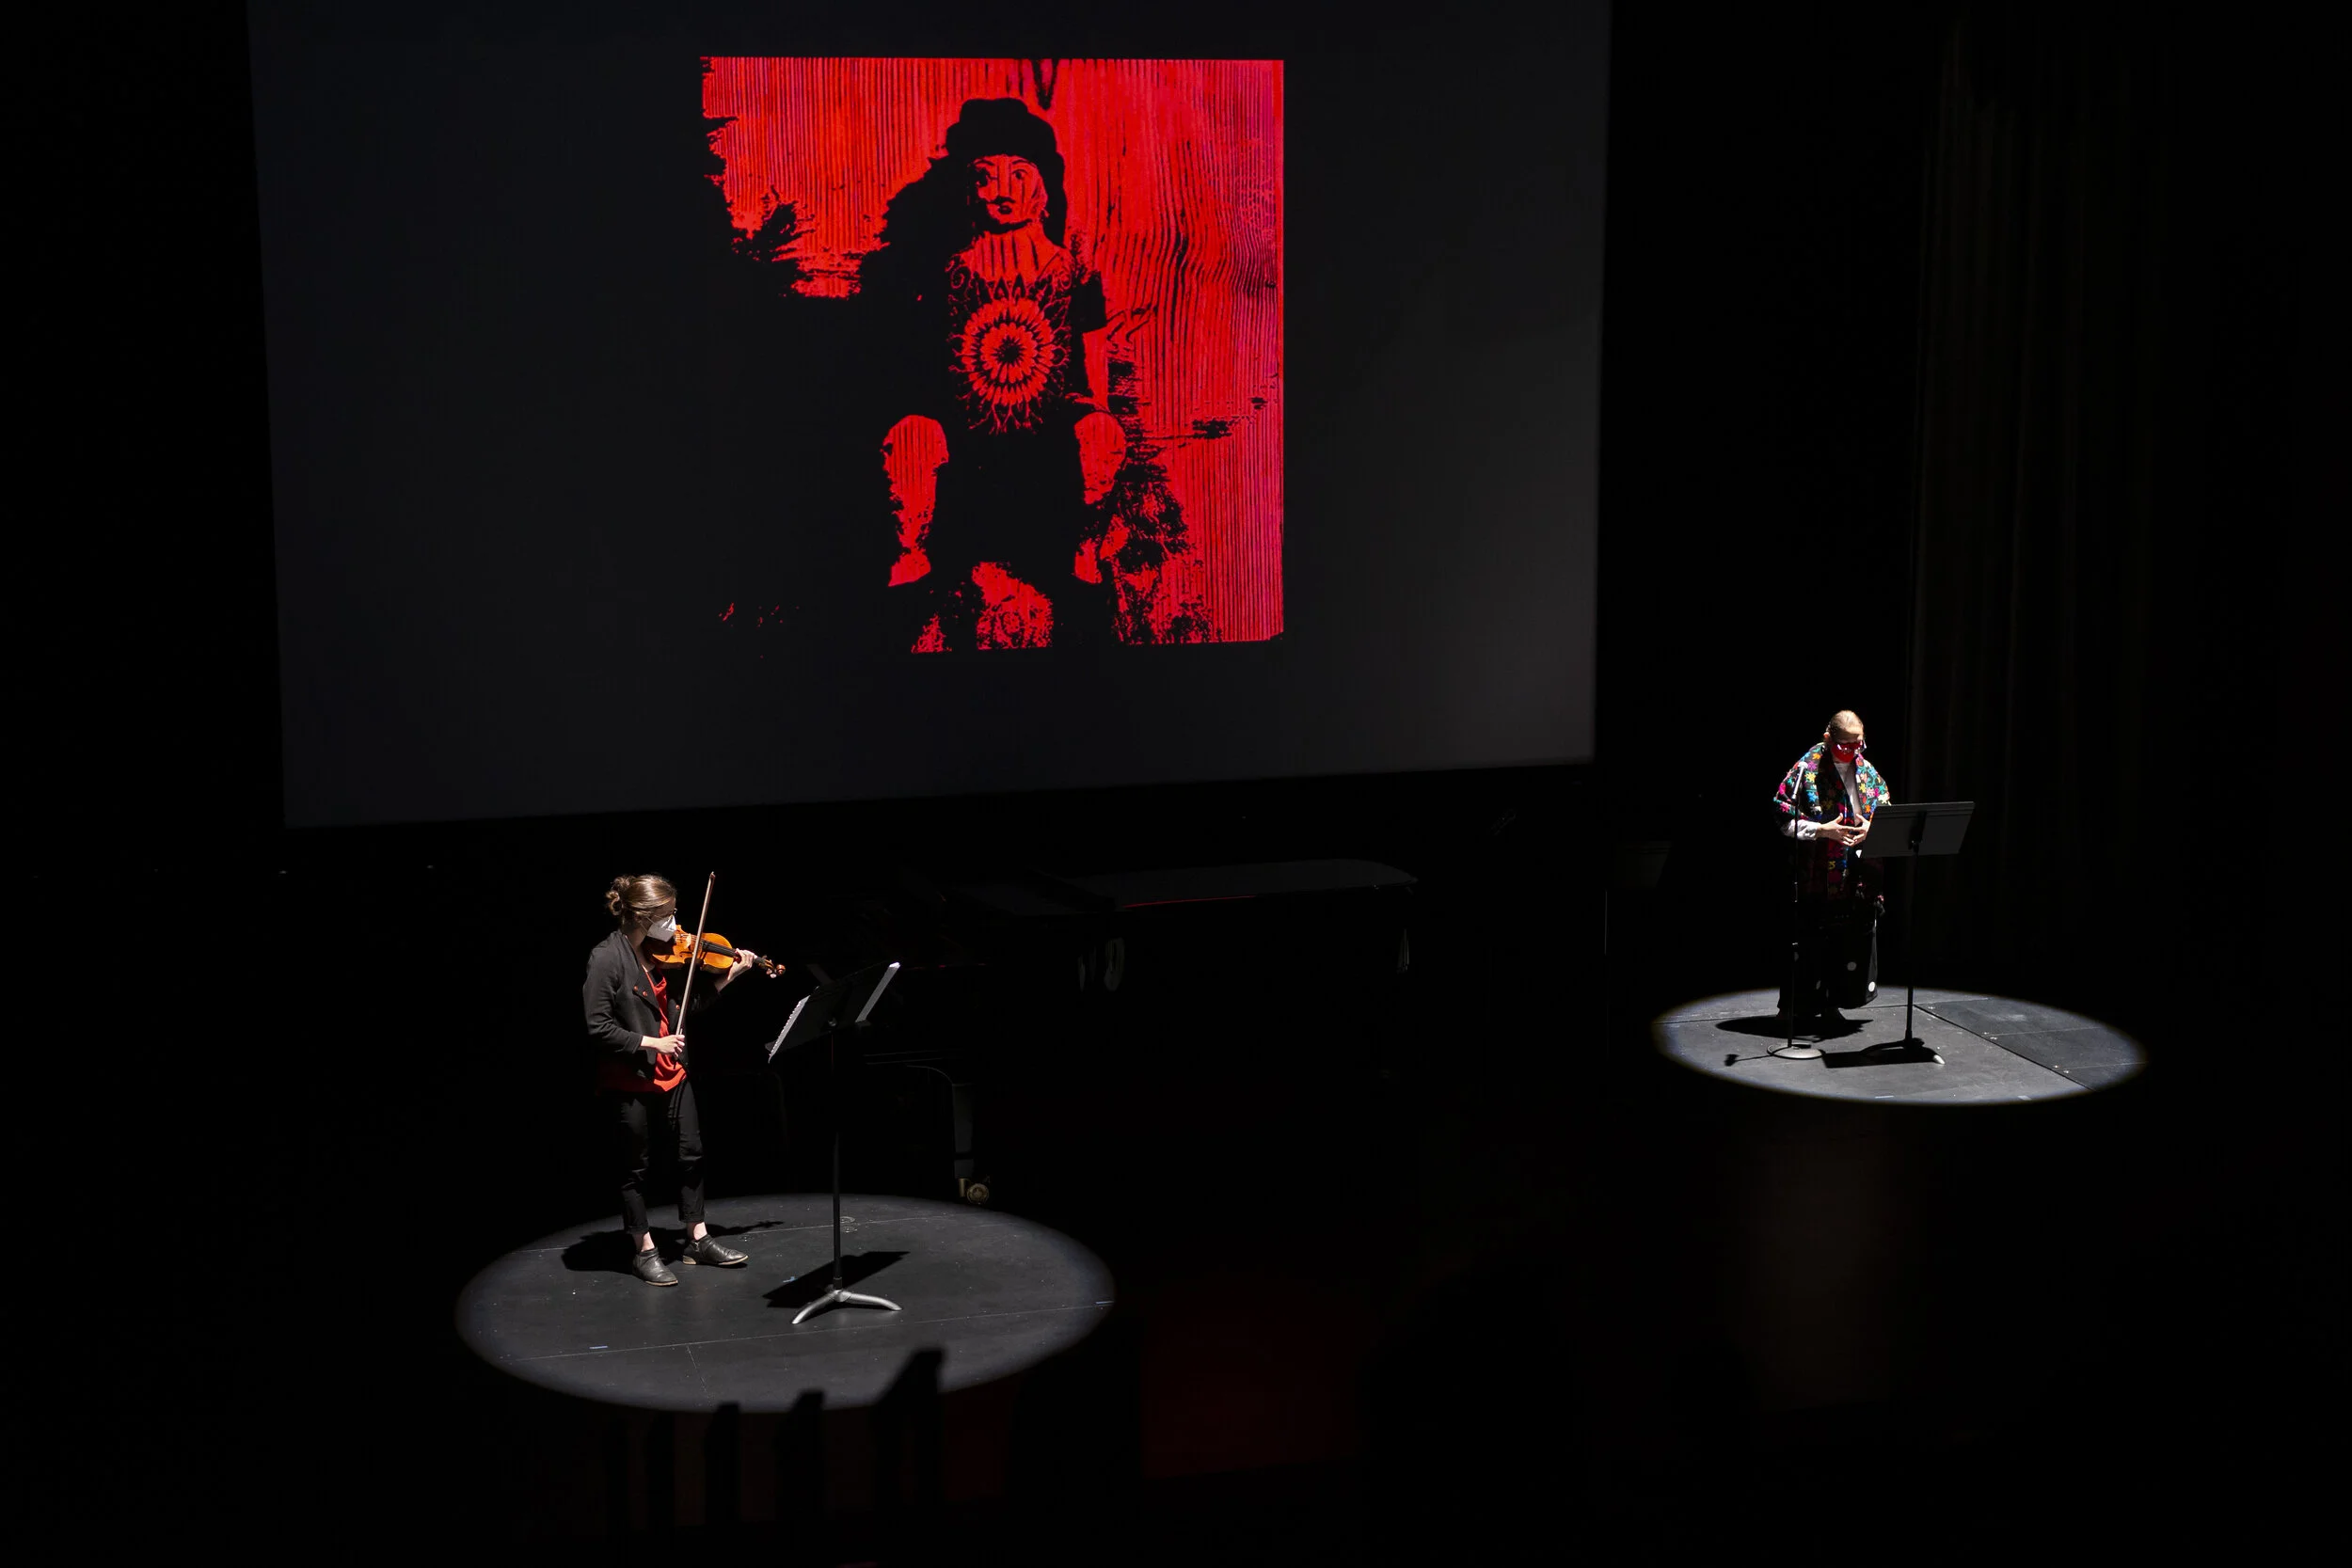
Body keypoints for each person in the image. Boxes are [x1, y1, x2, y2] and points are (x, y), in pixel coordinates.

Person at [863, 98, 1127, 651]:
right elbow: (914, 364)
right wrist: (922, 420)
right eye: (985, 177)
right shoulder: (945, 269)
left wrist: (1096, 414)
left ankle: (1084, 552)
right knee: (908, 437)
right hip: (964, 433)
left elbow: (1092, 356)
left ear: (1042, 189)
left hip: (1048, 432)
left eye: (1018, 175)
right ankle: (911, 559)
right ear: (968, 188)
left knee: (1102, 434)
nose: (1001, 191)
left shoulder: (1071, 269)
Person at [583, 875, 776, 1286]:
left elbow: (688, 1007)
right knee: (635, 1168)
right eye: (669, 915)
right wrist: (654, 1042)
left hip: (673, 1072)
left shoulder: (665, 953)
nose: (677, 925)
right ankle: (644, 1250)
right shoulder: (607, 959)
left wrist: (730, 975)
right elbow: (598, 1027)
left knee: (691, 1154)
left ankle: (697, 1239)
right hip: (631, 1077)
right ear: (643, 918)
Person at [1772, 711, 1892, 1032]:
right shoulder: (1806, 770)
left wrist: (1871, 829)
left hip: (1855, 872)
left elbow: (1884, 809)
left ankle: (1831, 1003)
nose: (1853, 751)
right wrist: (1822, 830)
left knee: (1845, 941)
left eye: (1858, 744)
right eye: (1845, 746)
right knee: (1808, 941)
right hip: (1817, 873)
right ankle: (1792, 1007)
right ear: (1828, 739)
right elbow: (1783, 817)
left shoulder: (1866, 770)